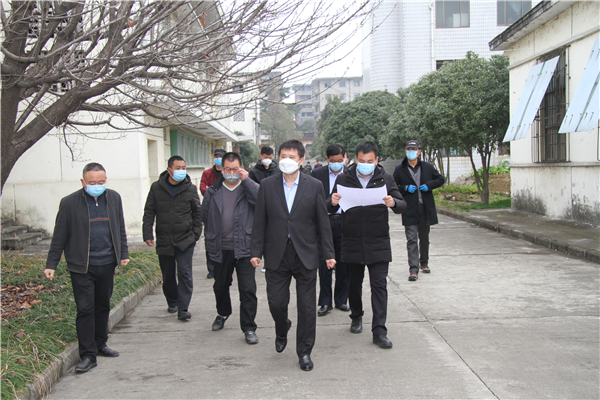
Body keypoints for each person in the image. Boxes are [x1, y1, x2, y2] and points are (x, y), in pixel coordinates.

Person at [250, 139, 335, 372]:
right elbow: (259, 221)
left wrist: (328, 253)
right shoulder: (267, 185)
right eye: (283, 156)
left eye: (291, 156)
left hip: (305, 253)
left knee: (307, 308)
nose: (286, 160)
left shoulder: (314, 185)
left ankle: (304, 352)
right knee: (276, 303)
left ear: (301, 160)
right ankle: (282, 327)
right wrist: (255, 251)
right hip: (276, 253)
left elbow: (322, 222)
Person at [44, 163, 129, 373]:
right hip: (82, 266)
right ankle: (88, 354)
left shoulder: (114, 198)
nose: (97, 186)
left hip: (107, 263)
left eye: (101, 182)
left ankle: (100, 344)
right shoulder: (69, 203)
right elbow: (59, 235)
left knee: (103, 306)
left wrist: (123, 254)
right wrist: (51, 264)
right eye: (92, 182)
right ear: (83, 182)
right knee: (85, 309)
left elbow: (120, 227)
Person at [328, 141, 406, 349]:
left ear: (376, 160)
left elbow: (402, 205)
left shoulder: (385, 179)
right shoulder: (344, 178)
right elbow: (329, 205)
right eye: (361, 160)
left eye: (369, 161)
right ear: (355, 159)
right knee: (354, 284)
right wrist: (333, 201)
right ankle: (356, 316)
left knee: (379, 286)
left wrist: (393, 203)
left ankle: (379, 331)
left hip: (378, 241)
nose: (365, 164)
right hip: (352, 240)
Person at [201, 152, 260, 345]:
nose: (232, 173)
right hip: (221, 248)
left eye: (235, 169)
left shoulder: (248, 188)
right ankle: (223, 313)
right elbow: (205, 216)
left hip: (245, 247)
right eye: (228, 169)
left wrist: (247, 180)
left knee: (248, 289)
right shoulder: (213, 191)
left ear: (241, 168)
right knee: (220, 286)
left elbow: (262, 201)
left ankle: (249, 327)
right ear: (222, 169)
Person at [143, 155, 202, 321]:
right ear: (169, 170)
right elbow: (149, 211)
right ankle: (173, 301)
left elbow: (197, 213)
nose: (181, 171)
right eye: (178, 168)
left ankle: (183, 308)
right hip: (164, 239)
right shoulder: (156, 188)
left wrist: (195, 234)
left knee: (184, 273)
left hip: (185, 239)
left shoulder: (190, 188)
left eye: (184, 168)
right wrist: (147, 233)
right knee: (168, 275)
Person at [393, 140, 445, 281]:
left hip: (425, 207)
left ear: (419, 152)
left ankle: (424, 262)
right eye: (409, 149)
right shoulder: (400, 169)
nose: (411, 151)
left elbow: (440, 179)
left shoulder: (427, 167)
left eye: (414, 149)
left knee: (424, 238)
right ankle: (413, 269)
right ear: (405, 151)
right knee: (411, 239)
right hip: (409, 208)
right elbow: (393, 186)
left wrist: (429, 185)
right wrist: (404, 188)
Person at [311, 144, 349, 316]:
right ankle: (325, 301)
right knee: (323, 263)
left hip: (345, 223)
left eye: (340, 160)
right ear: (327, 159)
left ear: (345, 158)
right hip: (324, 223)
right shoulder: (317, 174)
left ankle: (341, 299)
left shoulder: (350, 174)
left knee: (343, 263)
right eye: (333, 161)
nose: (336, 164)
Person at [201, 148, 226, 279]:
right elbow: (203, 188)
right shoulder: (207, 173)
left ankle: (224, 265)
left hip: (226, 208)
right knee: (210, 239)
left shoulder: (227, 172)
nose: (218, 158)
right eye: (216, 156)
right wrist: (212, 192)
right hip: (211, 208)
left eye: (220, 156)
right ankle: (211, 268)